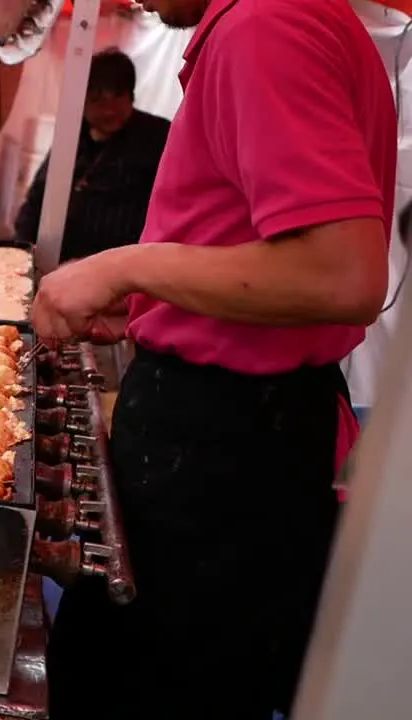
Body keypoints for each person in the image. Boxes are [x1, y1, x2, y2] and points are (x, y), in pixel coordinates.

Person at [34, 1, 394, 719]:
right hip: (240, 433)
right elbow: (257, 245)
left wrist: (125, 268)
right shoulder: (284, 19)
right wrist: (155, 308)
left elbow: (341, 276)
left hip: (225, 454)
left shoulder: (268, 23)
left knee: (144, 689)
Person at [13, 49, 169, 264]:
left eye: (118, 96)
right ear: (81, 102)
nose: (109, 110)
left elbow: (170, 211)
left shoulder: (158, 137)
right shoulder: (72, 137)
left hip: (123, 274)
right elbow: (38, 197)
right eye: (97, 100)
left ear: (131, 95)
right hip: (59, 267)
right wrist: (24, 250)